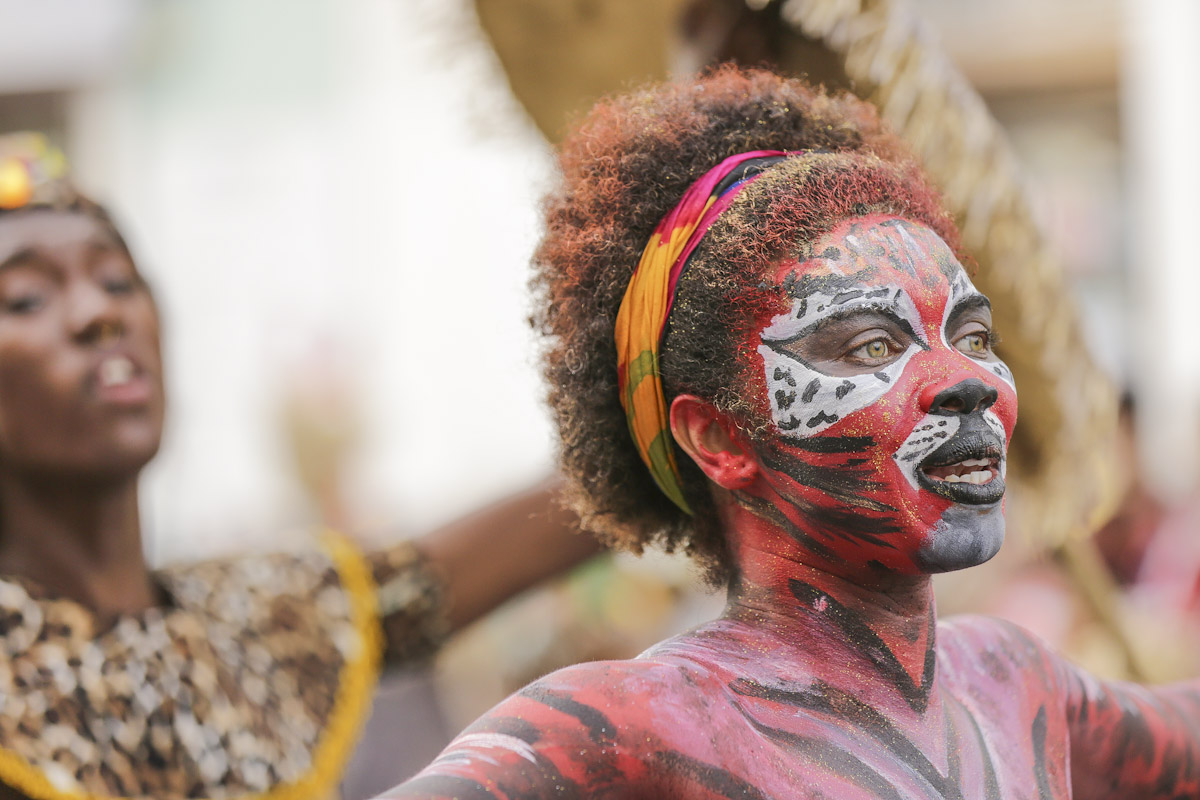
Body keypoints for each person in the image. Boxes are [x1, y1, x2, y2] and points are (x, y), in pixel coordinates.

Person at [382, 68, 1200, 799]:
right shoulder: (633, 726)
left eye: (975, 336)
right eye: (872, 346)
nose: (969, 380)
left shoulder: (1018, 688)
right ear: (719, 439)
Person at [0, 132, 599, 800]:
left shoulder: (254, 620)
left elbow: (497, 547)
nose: (99, 313)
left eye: (116, 281)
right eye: (26, 298)